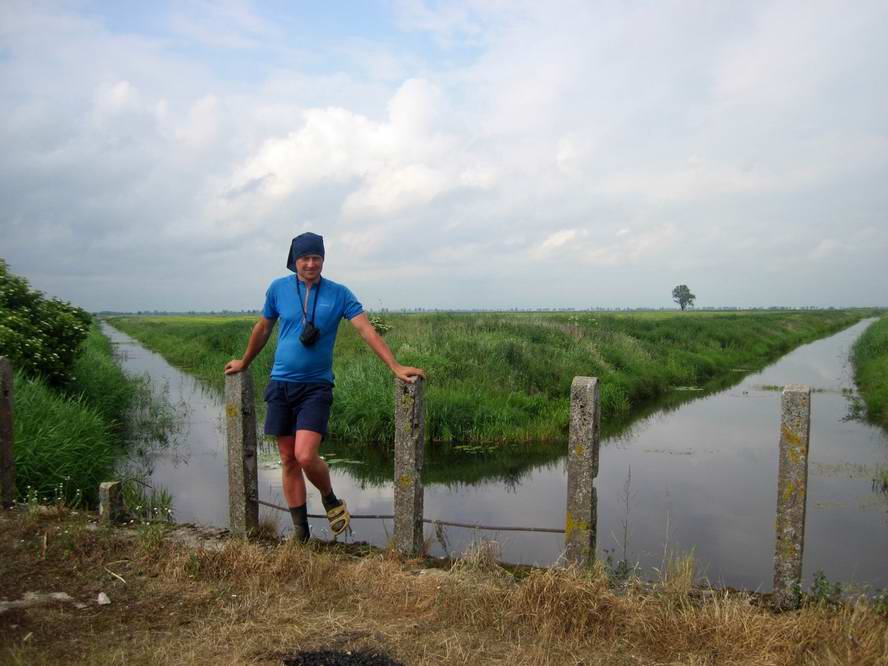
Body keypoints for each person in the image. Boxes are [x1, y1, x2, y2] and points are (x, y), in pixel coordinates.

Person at [224, 232, 425, 542]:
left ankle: (330, 498)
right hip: (281, 385)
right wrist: (245, 362)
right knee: (289, 459)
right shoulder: (278, 289)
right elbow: (263, 328)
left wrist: (395, 366)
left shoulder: (339, 294)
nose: (311, 263)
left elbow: (365, 330)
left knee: (305, 455)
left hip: (316, 387)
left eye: (316, 257)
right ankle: (301, 536)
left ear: (323, 260)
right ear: (294, 261)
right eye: (304, 258)